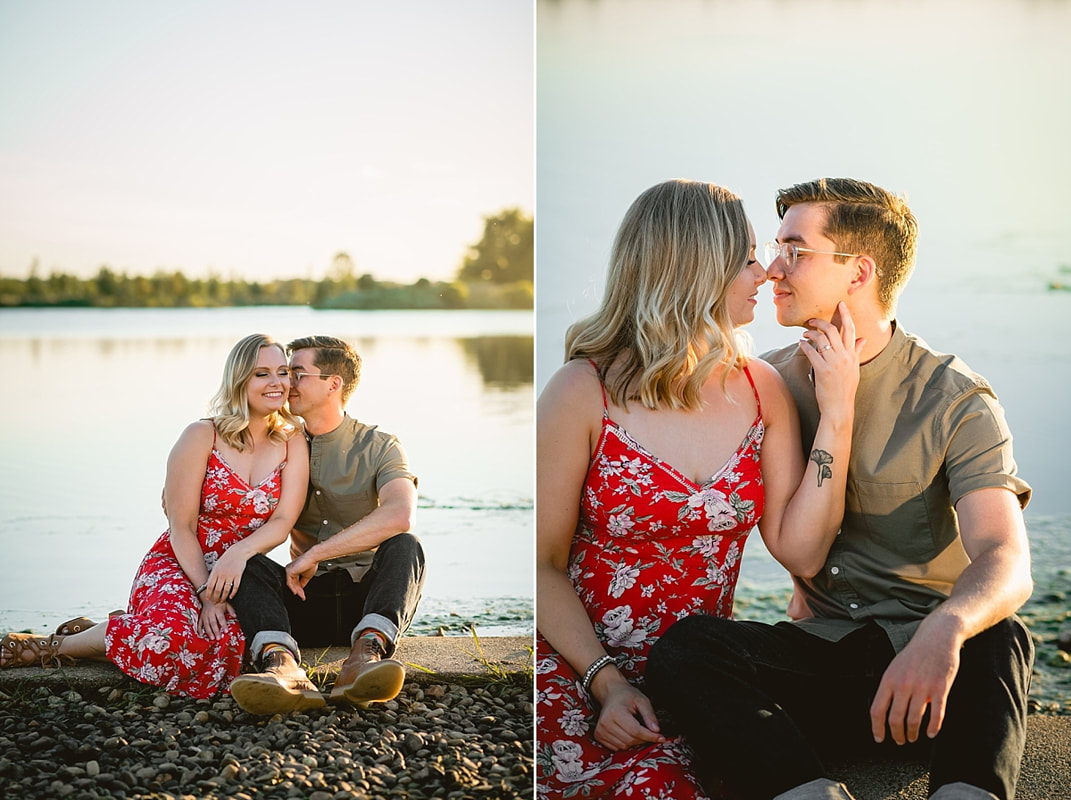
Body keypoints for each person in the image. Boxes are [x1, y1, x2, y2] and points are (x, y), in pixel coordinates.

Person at [646, 178, 1035, 800]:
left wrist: (943, 632)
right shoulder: (766, 381)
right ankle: (811, 792)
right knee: (686, 650)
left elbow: (1007, 559)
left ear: (859, 273)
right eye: (775, 248)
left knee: (1003, 635)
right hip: (828, 660)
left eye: (797, 250)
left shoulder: (953, 399)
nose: (773, 268)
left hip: (936, 673)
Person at [535, 179, 863, 799]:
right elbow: (541, 564)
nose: (767, 271)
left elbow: (802, 552)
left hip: (701, 672)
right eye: (745, 258)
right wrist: (605, 680)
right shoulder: (581, 391)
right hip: (579, 662)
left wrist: (838, 411)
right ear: (694, 269)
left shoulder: (761, 387)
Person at [0, 334, 310, 699]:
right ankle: (51, 648)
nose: (276, 382)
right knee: (170, 641)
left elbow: (282, 522)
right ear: (240, 380)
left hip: (241, 572)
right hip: (180, 561)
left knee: (229, 646)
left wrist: (237, 555)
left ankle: (104, 631)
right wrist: (206, 594)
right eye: (261, 374)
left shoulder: (292, 440)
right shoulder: (201, 435)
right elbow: (181, 526)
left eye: (283, 372)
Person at [226, 335, 426, 715]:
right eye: (285, 373)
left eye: (297, 373)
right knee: (244, 556)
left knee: (406, 545)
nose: (286, 383)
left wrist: (316, 552)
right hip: (303, 598)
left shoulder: (381, 445)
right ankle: (280, 666)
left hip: (365, 602)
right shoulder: (276, 444)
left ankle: (365, 657)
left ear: (333, 384)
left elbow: (400, 513)